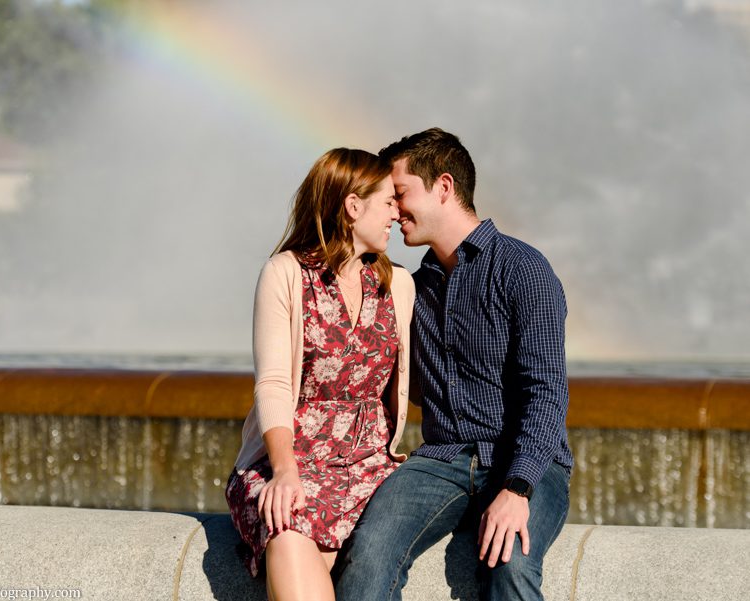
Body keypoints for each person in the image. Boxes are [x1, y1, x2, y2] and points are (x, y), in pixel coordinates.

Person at [333, 128, 573, 601]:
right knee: (368, 553)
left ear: (443, 187)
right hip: (440, 460)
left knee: (513, 562)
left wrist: (517, 488)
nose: (393, 208)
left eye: (399, 193)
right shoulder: (408, 287)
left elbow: (546, 392)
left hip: (522, 461)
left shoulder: (523, 270)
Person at [225, 148, 416, 601]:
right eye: (388, 201)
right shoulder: (285, 274)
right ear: (353, 207)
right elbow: (273, 383)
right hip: (291, 459)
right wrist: (284, 471)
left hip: (371, 465)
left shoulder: (399, 285)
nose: (397, 212)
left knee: (308, 546)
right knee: (286, 526)